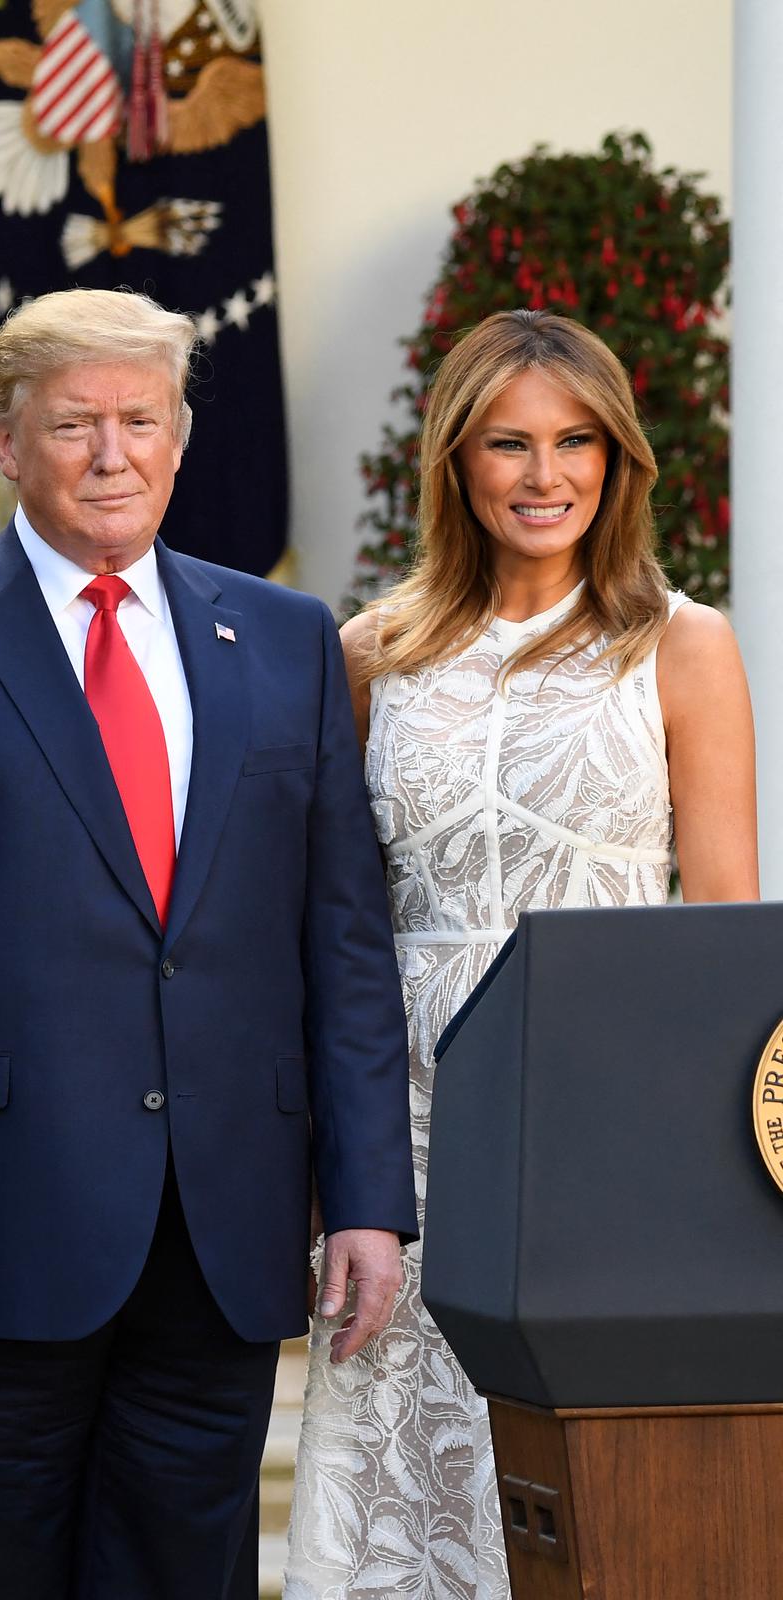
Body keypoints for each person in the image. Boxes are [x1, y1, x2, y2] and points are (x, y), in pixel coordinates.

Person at [0, 287, 420, 1599]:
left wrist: (365, 1200)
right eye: (76, 423)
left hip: (220, 1234)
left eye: (141, 419)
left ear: (181, 438)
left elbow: (342, 944)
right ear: (7, 443)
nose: (112, 452)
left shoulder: (285, 638)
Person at [282, 310, 758, 1599]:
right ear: (456, 461)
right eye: (509, 443)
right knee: (405, 1472)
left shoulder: (685, 645)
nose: (545, 475)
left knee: (590, 1483)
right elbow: (336, 929)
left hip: (609, 1117)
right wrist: (337, 1163)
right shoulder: (369, 653)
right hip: (412, 1125)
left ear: (617, 461)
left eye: (575, 442)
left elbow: (727, 937)